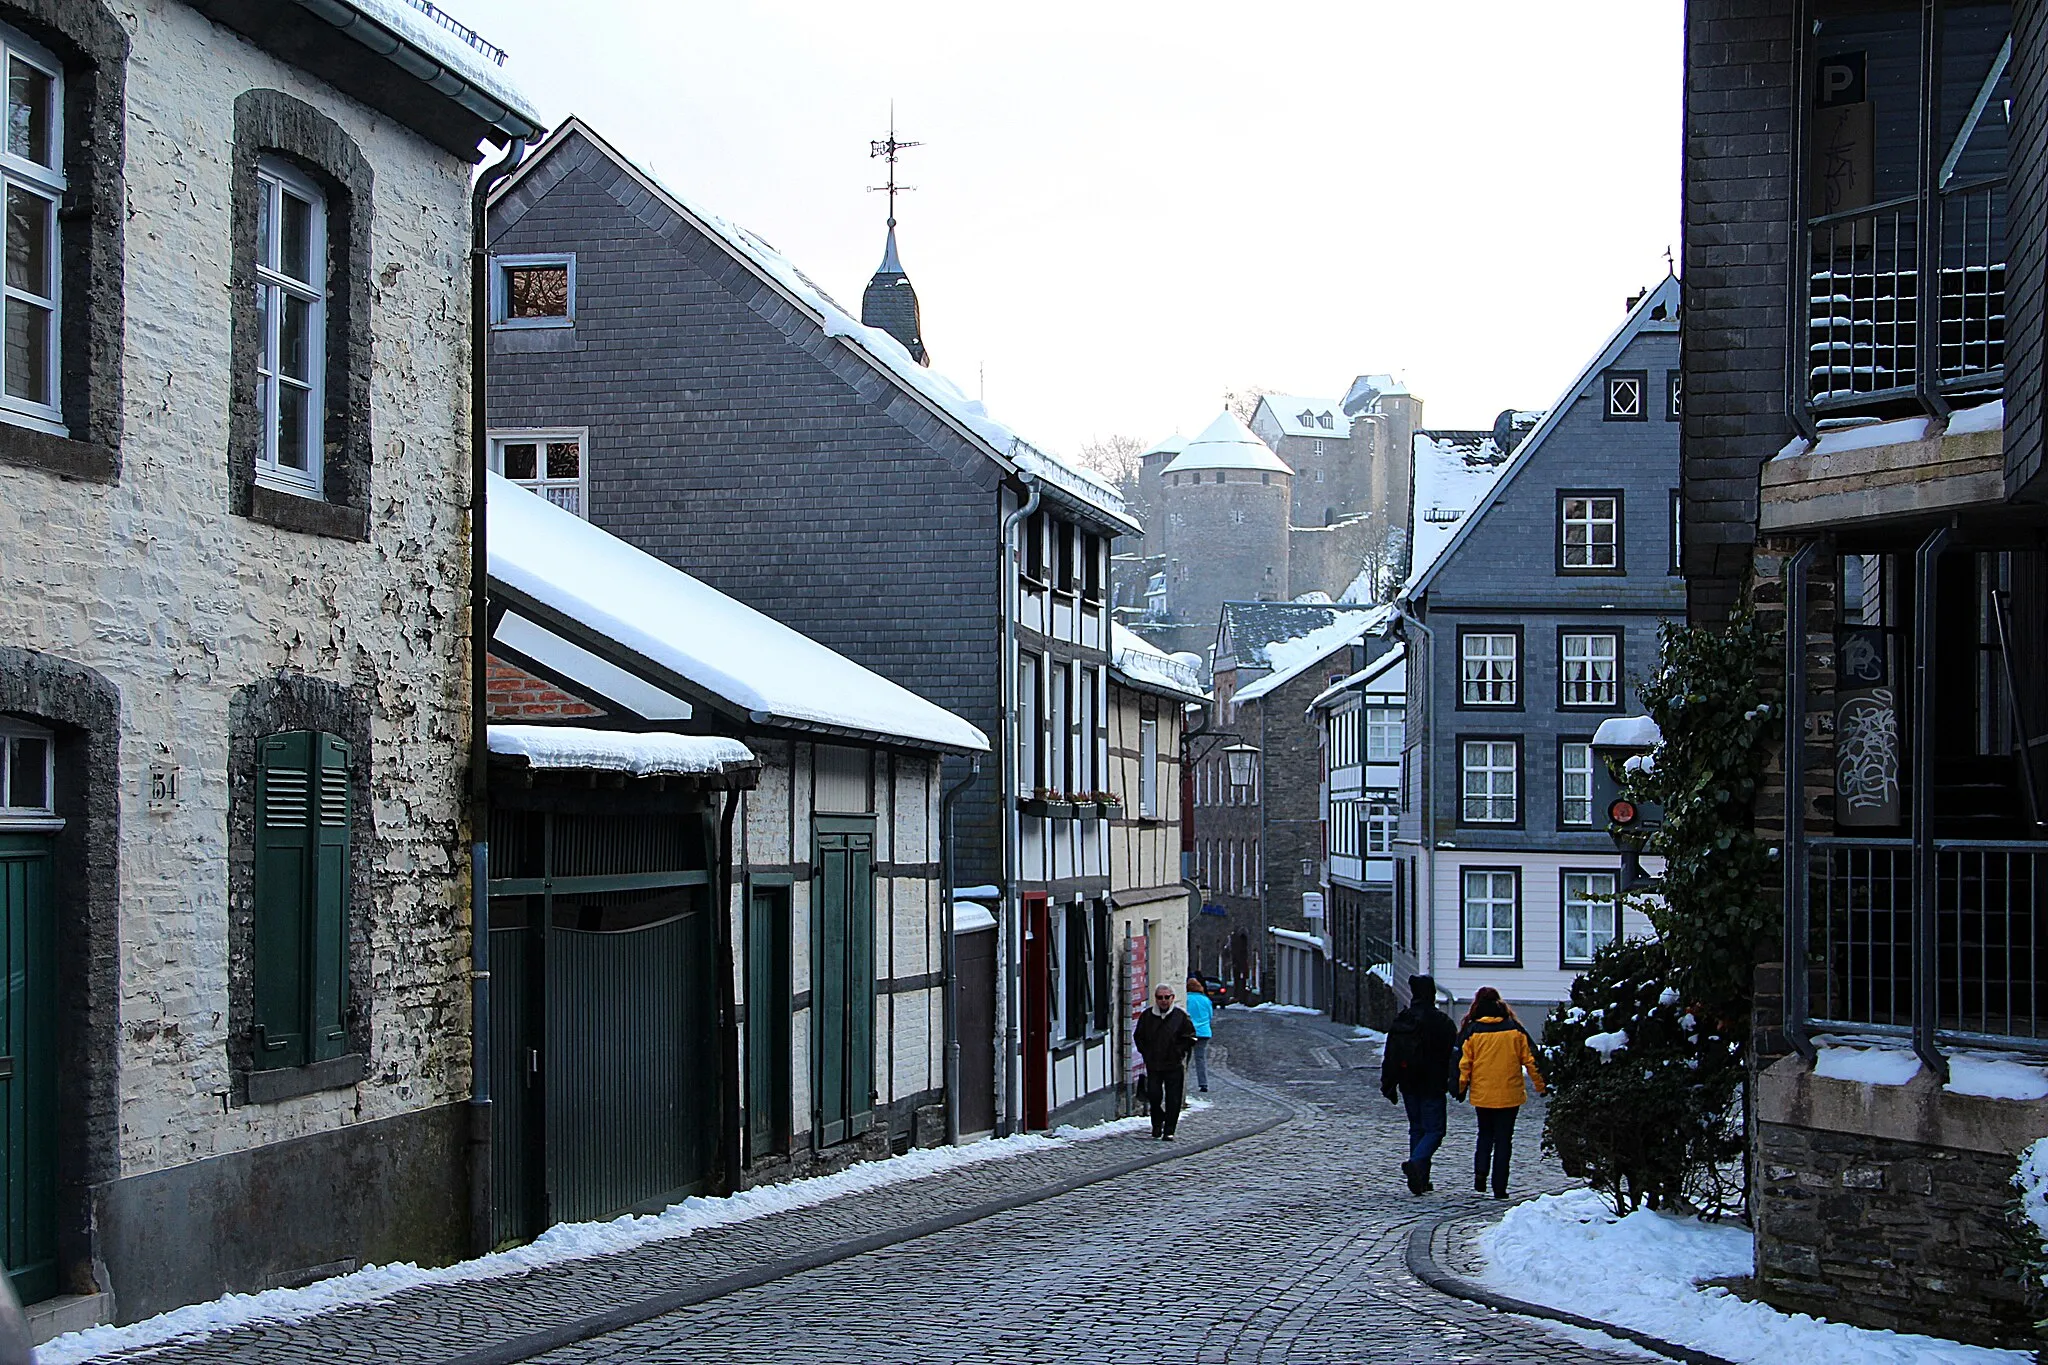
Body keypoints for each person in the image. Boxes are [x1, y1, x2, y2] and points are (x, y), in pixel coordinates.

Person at [1455, 986, 1546, 1199]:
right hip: (1510, 1094)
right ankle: (1500, 1186)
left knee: (1485, 1134)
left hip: (1483, 1094)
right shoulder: (1514, 1029)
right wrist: (1540, 1085)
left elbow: (1464, 1064)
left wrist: (1460, 1087)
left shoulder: (1473, 1031)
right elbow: (1531, 1061)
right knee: (1504, 1140)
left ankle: (1480, 1174)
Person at [1379, 974, 1458, 1195]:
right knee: (1435, 1130)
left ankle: (1420, 1178)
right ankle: (1416, 1164)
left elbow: (1391, 1054)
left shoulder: (1403, 1019)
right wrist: (1456, 1082)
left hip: (1408, 1082)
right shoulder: (1441, 1022)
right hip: (1432, 1084)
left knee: (1417, 1128)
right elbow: (1454, 1055)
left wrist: (1388, 1083)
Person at [1134, 983, 1198, 1139]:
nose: (1163, 1001)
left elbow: (1190, 1037)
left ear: (1172, 998)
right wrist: (1147, 1052)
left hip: (1174, 1064)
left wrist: (1179, 1051)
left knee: (1173, 1098)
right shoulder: (1148, 1016)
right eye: (1160, 998)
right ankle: (1157, 1123)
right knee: (1154, 1095)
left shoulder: (1180, 1017)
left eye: (1166, 997)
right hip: (1154, 1063)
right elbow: (1139, 1036)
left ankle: (1169, 1130)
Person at [1184, 976, 1215, 1092]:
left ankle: (1182, 1081)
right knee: (1200, 1058)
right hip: (1203, 1032)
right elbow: (1210, 1015)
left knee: (1185, 1058)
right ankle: (1203, 1083)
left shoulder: (1186, 998)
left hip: (1189, 1032)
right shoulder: (1206, 1000)